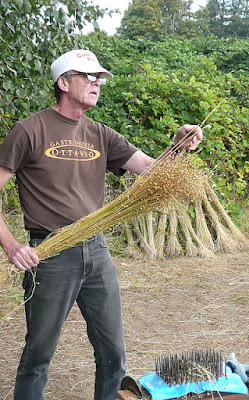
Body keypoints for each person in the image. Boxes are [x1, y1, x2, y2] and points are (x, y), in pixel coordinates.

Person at [0, 49, 203, 400]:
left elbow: (153, 172)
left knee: (113, 355)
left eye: (99, 78)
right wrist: (12, 244)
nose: (97, 83)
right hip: (49, 255)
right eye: (88, 77)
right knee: (38, 356)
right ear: (63, 83)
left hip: (96, 251)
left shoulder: (101, 134)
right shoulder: (29, 130)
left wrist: (178, 146)